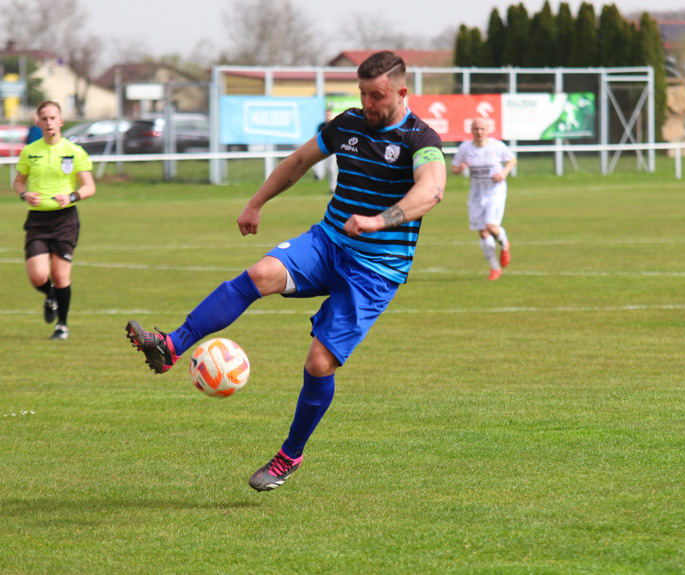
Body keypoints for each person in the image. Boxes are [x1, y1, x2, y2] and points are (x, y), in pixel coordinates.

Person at [125, 51, 446, 492]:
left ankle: (289, 454)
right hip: (328, 242)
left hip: (375, 269)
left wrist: (377, 220)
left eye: (378, 96)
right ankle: (171, 346)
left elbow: (432, 190)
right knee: (259, 273)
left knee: (318, 363)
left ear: (402, 92)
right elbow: (298, 162)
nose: (369, 104)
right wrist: (256, 202)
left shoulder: (421, 138)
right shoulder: (347, 124)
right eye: (363, 94)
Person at [14, 101, 96, 340]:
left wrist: (71, 195)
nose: (49, 123)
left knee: (61, 276)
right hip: (38, 220)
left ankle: (62, 325)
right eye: (44, 119)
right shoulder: (30, 151)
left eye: (53, 118)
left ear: (60, 121)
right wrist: (24, 193)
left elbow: (89, 187)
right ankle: (51, 296)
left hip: (65, 220)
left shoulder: (73, 151)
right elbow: (18, 182)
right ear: (37, 123)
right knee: (37, 276)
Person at [451, 117, 516, 281]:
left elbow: (512, 160)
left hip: (495, 192)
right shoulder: (465, 148)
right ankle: (495, 269)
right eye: (476, 129)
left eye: (482, 129)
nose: (479, 132)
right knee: (482, 230)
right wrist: (458, 169)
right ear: (471, 131)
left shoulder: (496, 146)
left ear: (488, 130)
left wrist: (503, 173)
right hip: (476, 194)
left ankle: (504, 243)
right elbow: (453, 168)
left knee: (491, 226)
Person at [312, 107, 338, 193]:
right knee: (317, 162)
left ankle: (332, 188)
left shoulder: (334, 125)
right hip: (323, 149)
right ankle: (318, 175)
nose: (327, 116)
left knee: (332, 169)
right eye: (326, 114)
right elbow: (317, 137)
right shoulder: (321, 126)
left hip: (332, 150)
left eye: (329, 114)